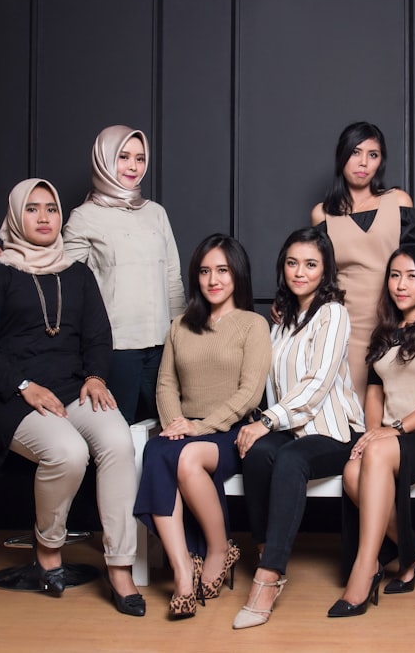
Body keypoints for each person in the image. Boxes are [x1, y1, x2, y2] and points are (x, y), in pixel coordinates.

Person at [0, 178, 145, 617]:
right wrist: (24, 386)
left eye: (51, 208)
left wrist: (96, 376)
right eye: (32, 209)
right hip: (13, 394)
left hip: (73, 388)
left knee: (119, 441)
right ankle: (48, 547)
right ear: (15, 216)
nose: (44, 217)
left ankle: (120, 566)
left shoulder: (77, 271)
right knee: (67, 453)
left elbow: (98, 336)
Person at [0, 126, 186, 423]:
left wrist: (180, 336)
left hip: (162, 344)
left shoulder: (156, 212)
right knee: (120, 434)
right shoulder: (84, 216)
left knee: (172, 430)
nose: (133, 166)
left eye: (140, 158)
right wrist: (12, 258)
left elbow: (172, 276)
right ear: (104, 159)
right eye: (124, 157)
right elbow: (56, 271)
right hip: (117, 349)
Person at [231, 227, 364, 630]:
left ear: (325, 271)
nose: (299, 272)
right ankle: (266, 552)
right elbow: (272, 382)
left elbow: (318, 382)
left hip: (336, 431)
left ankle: (268, 579)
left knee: (288, 460)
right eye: (292, 263)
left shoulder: (333, 313)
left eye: (310, 264)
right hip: (293, 428)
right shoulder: (284, 320)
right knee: (255, 454)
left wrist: (267, 421)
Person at [133, 234, 271, 619]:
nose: (213, 279)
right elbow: (165, 383)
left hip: (231, 433)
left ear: (237, 275)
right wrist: (175, 423)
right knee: (157, 450)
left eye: (222, 271)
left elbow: (250, 392)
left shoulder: (252, 324)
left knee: (187, 457)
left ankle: (217, 548)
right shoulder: (180, 325)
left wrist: (202, 427)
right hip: (185, 428)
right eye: (205, 271)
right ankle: (181, 572)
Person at [328, 245, 415, 618]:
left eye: (412, 276)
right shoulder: (385, 331)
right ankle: (413, 550)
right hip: (391, 439)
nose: (401, 284)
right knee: (352, 473)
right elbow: (375, 394)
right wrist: (372, 434)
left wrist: (396, 429)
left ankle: (364, 568)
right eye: (395, 275)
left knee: (373, 456)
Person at [309, 121, 415, 394]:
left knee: (397, 402)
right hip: (347, 323)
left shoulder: (398, 201)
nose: (364, 162)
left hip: (396, 317)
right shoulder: (323, 214)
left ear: (381, 161)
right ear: (342, 156)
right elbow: (317, 274)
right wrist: (290, 305)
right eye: (356, 152)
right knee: (350, 408)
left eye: (373, 154)